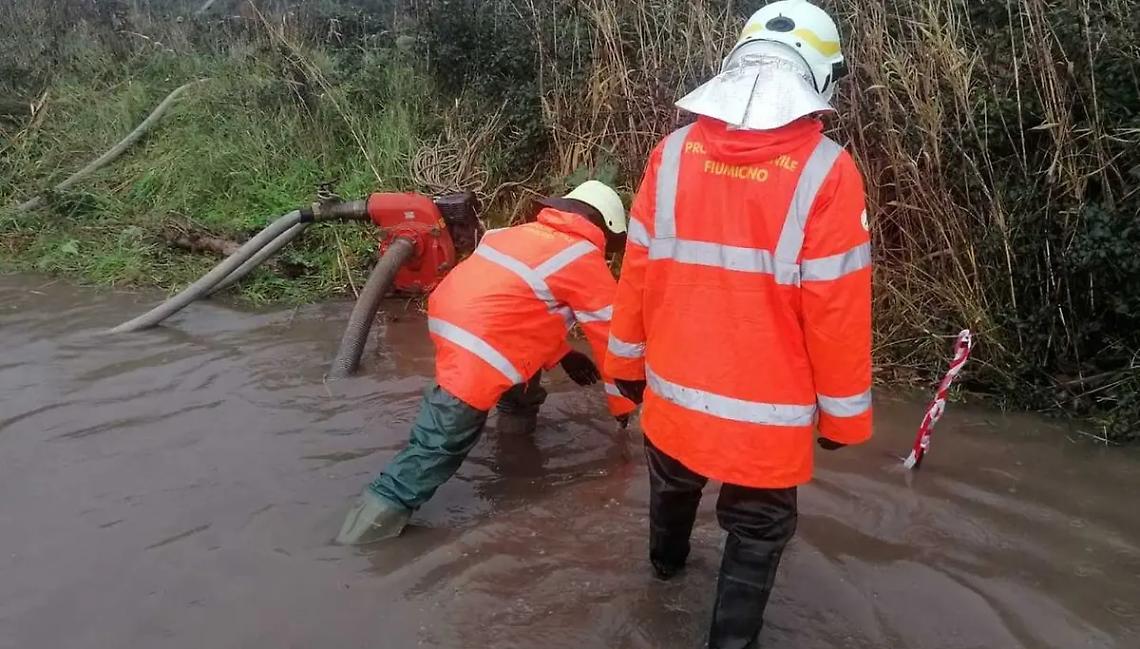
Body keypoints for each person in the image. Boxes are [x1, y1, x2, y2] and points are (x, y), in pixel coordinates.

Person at [605, 2, 873, 647]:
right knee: (757, 529)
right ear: (821, 75)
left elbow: (637, 272)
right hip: (767, 413)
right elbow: (836, 309)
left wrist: (624, 367)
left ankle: (664, 574)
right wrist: (842, 417)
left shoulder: (671, 154)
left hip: (673, 390)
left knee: (672, 483)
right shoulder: (827, 169)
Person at [338, 180, 637, 545]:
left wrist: (563, 354)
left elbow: (519, 305)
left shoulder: (513, 234)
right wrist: (623, 406)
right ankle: (363, 533)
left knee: (522, 380)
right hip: (479, 343)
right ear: (605, 225)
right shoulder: (581, 257)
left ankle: (515, 445)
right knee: (440, 443)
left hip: (456, 320)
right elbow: (613, 342)